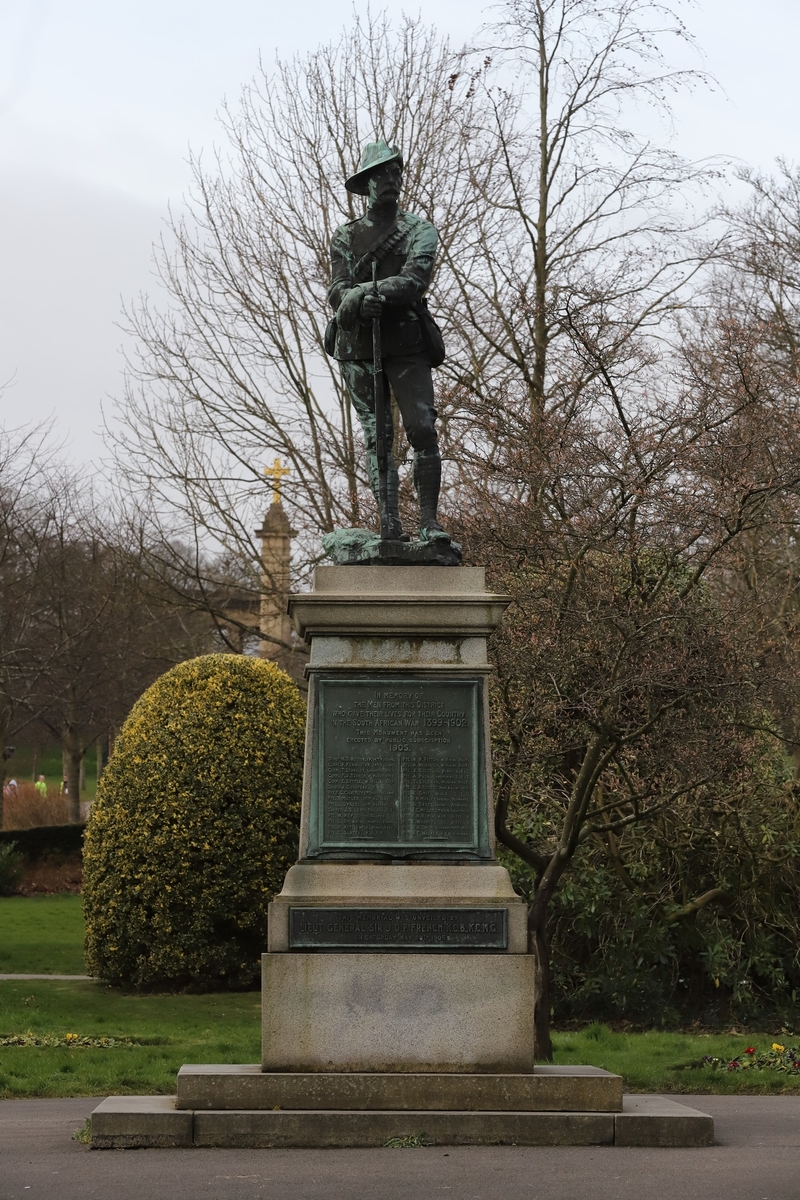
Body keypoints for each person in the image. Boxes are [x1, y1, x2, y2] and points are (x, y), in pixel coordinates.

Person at [327, 139, 451, 544]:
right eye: (382, 173)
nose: (391, 180)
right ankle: (389, 522)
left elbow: (415, 280)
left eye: (396, 172)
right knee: (377, 436)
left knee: (422, 429)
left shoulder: (419, 230)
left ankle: (429, 523)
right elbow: (337, 289)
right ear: (367, 183)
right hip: (359, 346)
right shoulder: (345, 236)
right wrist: (358, 303)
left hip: (406, 340)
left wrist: (363, 294)